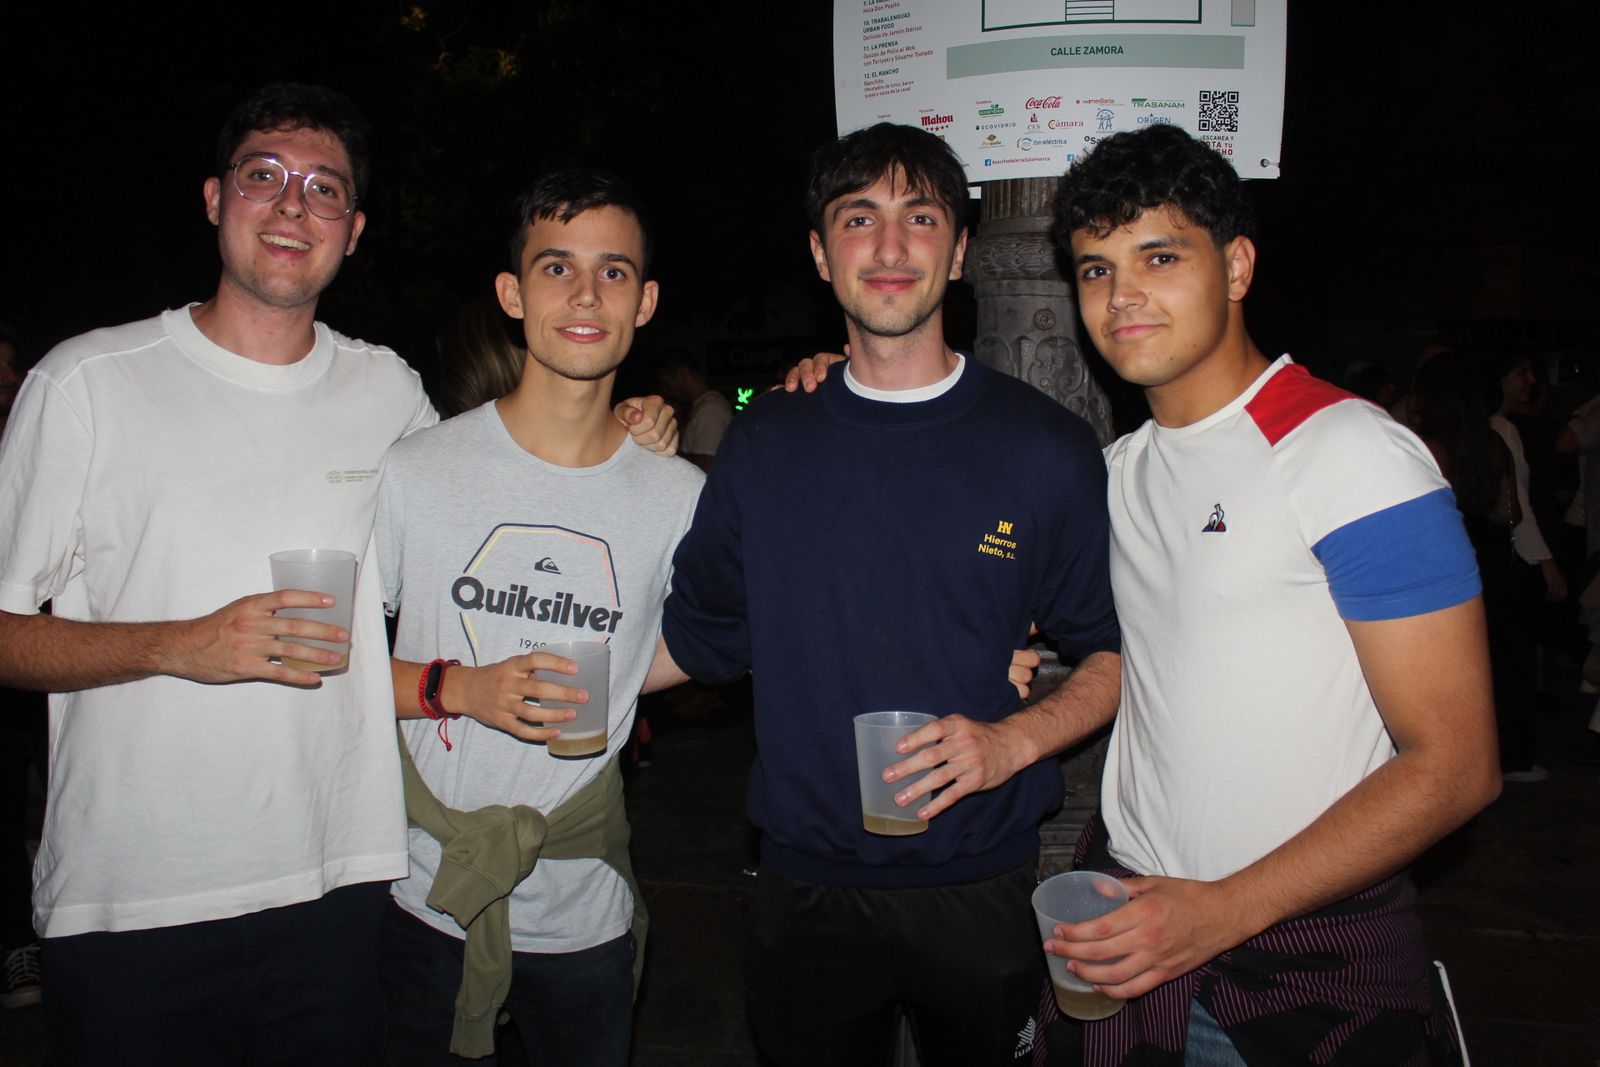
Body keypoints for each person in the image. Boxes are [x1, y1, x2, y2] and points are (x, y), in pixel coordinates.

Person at [0, 84, 673, 1065]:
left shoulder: (385, 393)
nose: (292, 205)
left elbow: (503, 492)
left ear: (353, 231)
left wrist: (633, 430)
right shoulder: (87, 383)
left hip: (342, 886)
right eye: (263, 176)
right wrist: (179, 644)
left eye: (324, 189)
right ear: (213, 198)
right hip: (134, 899)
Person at [656, 122, 1122, 1066]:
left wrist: (1014, 740)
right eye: (859, 217)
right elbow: (696, 638)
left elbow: (1120, 653)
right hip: (805, 890)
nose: (892, 244)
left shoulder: (1046, 448)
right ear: (821, 254)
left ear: (961, 250)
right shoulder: (766, 441)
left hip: (984, 882)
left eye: (922, 216)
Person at [1041, 123, 1500, 1064]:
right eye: (1095, 268)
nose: (1121, 295)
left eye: (1159, 256)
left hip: (1301, 955)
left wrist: (1218, 912)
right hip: (1128, 927)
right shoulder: (1119, 471)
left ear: (1237, 265)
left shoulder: (1350, 453)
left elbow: (1456, 765)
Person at [375, 169, 703, 1066]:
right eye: (557, 267)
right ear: (512, 294)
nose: (586, 294)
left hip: (583, 903)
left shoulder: (679, 496)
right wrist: (462, 689)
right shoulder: (417, 470)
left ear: (645, 302)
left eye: (613, 271)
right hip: (424, 891)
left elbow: (705, 641)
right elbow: (334, 666)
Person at [655, 348, 733, 470]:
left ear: (683, 374)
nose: (669, 392)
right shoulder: (703, 406)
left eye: (668, 385)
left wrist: (671, 453)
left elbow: (708, 463)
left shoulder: (711, 409)